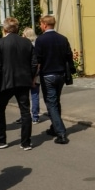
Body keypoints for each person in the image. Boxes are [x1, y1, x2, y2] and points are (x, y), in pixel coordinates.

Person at [0, 17, 38, 151]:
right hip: (23, 81)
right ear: (17, 28)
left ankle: (1, 139)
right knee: (25, 111)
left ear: (4, 29)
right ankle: (26, 142)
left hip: (6, 82)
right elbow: (34, 63)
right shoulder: (27, 43)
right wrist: (31, 78)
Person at [35, 15, 75, 145]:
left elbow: (37, 60)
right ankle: (54, 127)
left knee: (51, 103)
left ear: (45, 24)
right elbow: (69, 56)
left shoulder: (40, 40)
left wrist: (34, 75)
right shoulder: (63, 39)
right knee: (56, 101)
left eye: (40, 24)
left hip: (47, 75)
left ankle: (61, 133)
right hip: (61, 75)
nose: (40, 26)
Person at [22, 27, 41, 123]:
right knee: (35, 95)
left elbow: (36, 64)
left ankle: (27, 116)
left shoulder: (27, 46)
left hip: (29, 75)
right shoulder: (37, 45)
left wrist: (33, 78)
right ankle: (35, 116)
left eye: (23, 34)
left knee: (26, 97)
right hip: (36, 75)